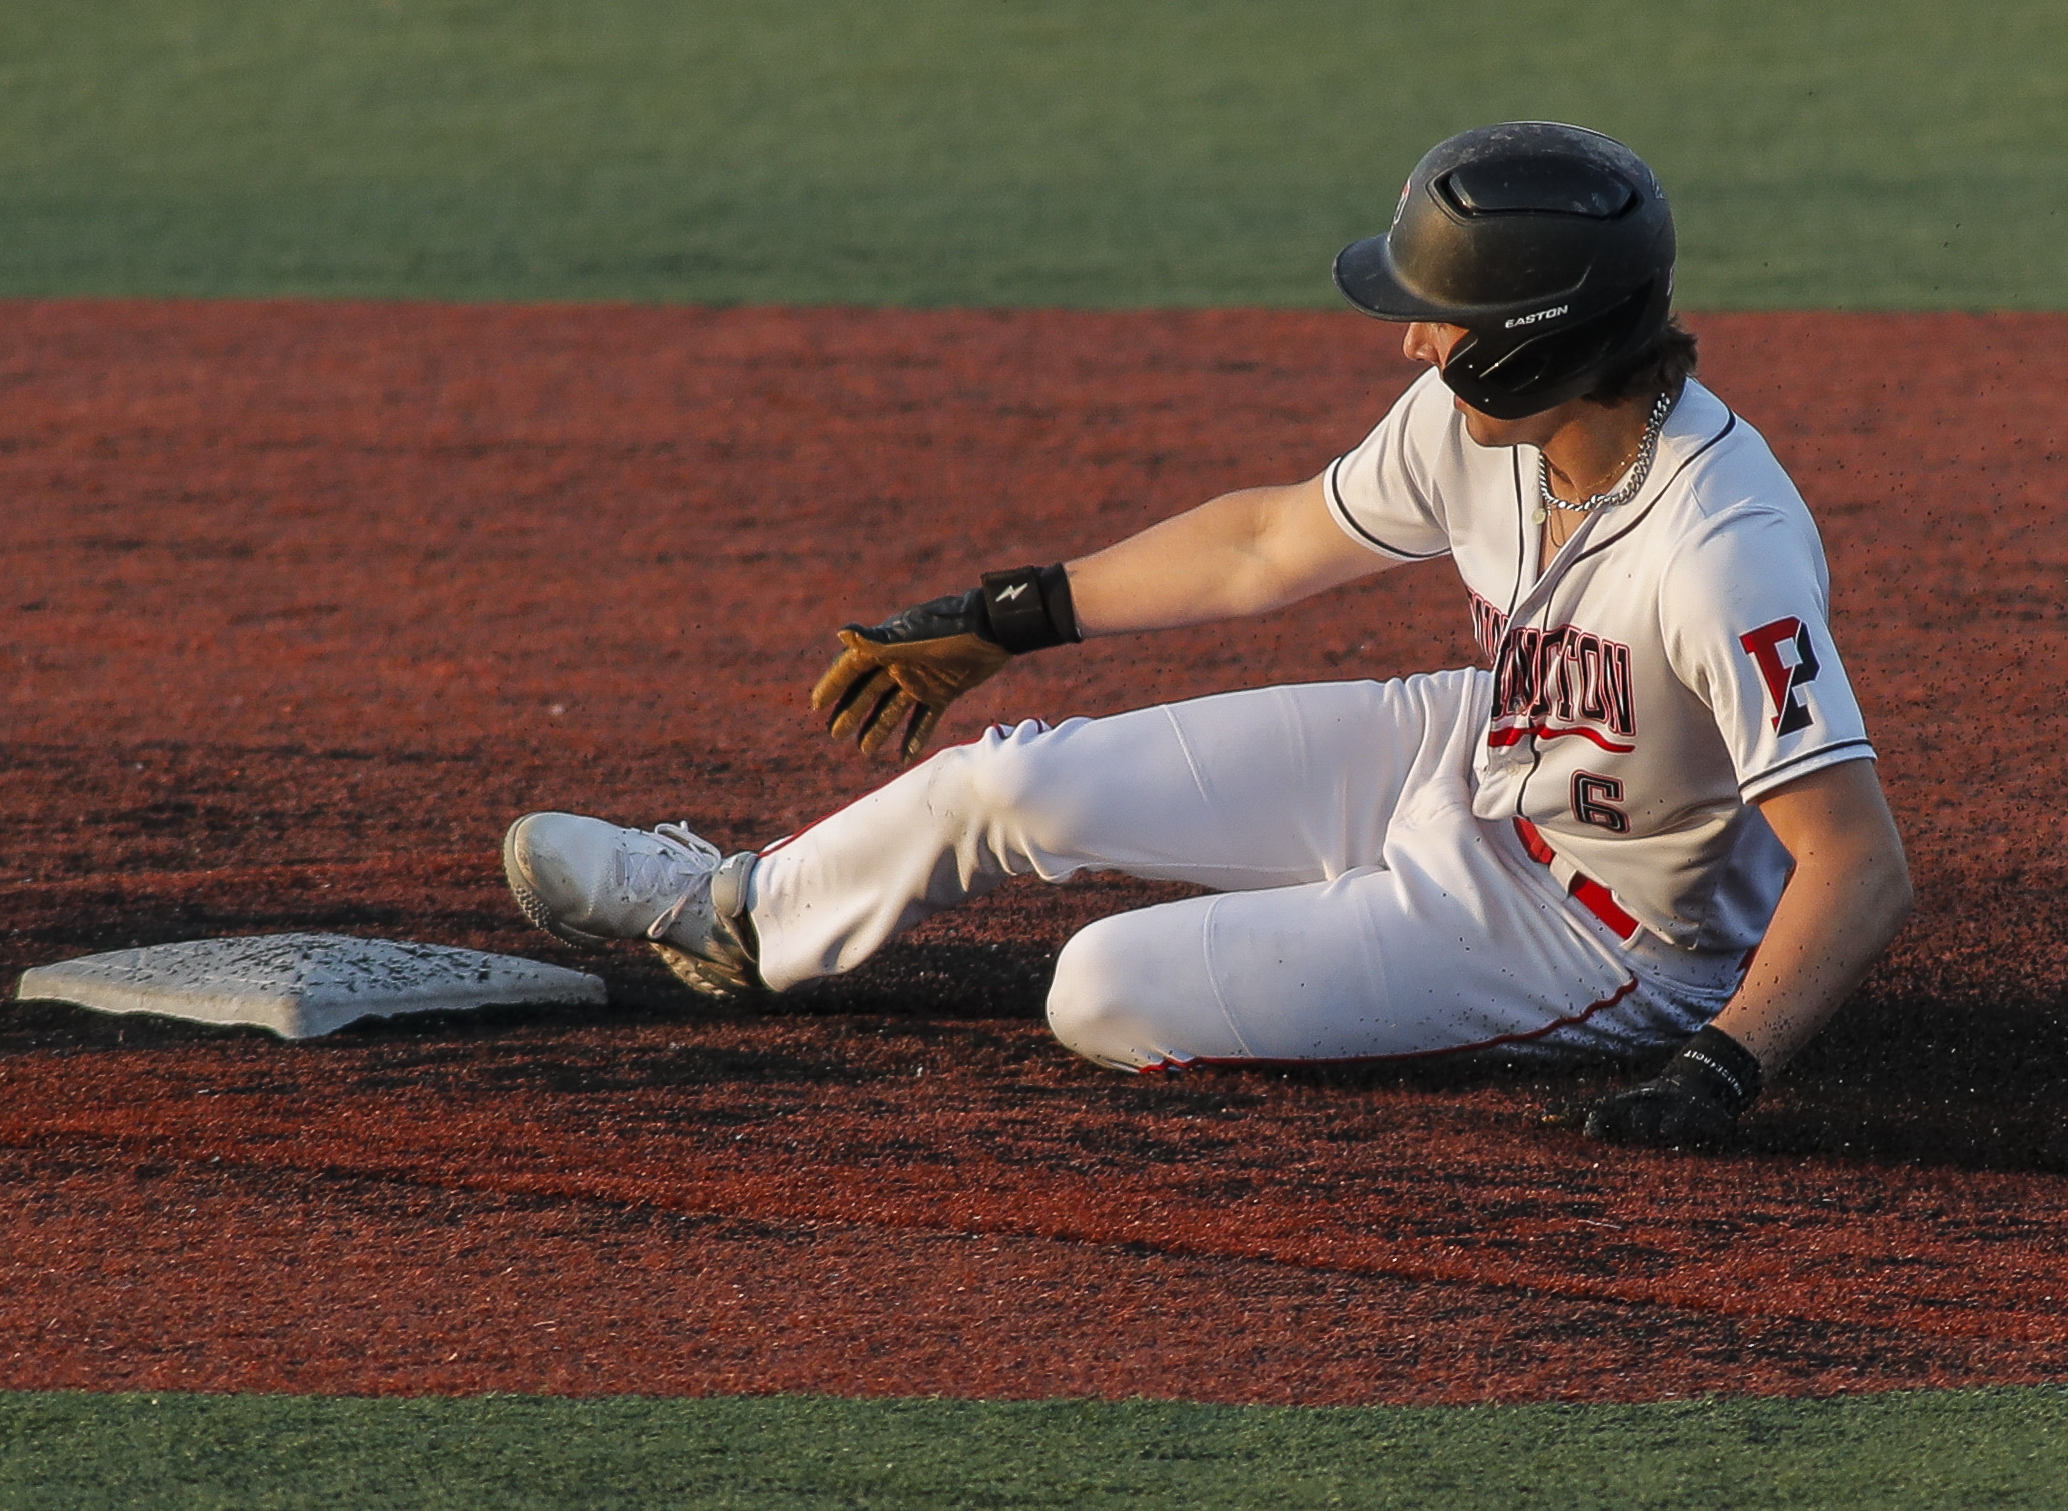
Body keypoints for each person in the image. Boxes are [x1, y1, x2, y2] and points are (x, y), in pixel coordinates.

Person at [501, 122, 1912, 1149]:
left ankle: (1383, 968)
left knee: (1105, 988)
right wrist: (1013, 616)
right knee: (1009, 779)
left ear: (1535, 347)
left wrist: (1728, 1065)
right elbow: (1268, 545)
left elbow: (1856, 864)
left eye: (1441, 321)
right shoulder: (1480, 427)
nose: (1412, 346)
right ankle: (747, 919)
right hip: (1471, 749)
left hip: (1595, 931)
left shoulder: (1723, 550)